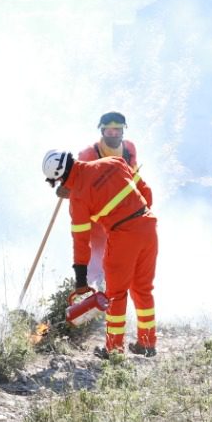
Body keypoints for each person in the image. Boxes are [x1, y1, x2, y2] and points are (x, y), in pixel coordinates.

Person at [43, 149, 157, 358]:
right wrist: (138, 218)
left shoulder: (78, 199)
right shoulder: (114, 161)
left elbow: (81, 241)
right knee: (142, 289)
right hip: (148, 227)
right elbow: (145, 190)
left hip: (123, 236)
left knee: (115, 294)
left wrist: (80, 280)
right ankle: (147, 343)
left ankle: (113, 350)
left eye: (57, 182)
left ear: (60, 176)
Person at [75, 112, 141, 284]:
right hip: (96, 221)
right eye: (109, 132)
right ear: (102, 132)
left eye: (117, 131)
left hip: (122, 218)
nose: (113, 135)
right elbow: (76, 183)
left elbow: (133, 179)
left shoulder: (129, 150)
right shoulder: (88, 155)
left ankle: (109, 304)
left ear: (123, 131)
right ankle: (84, 300)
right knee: (94, 265)